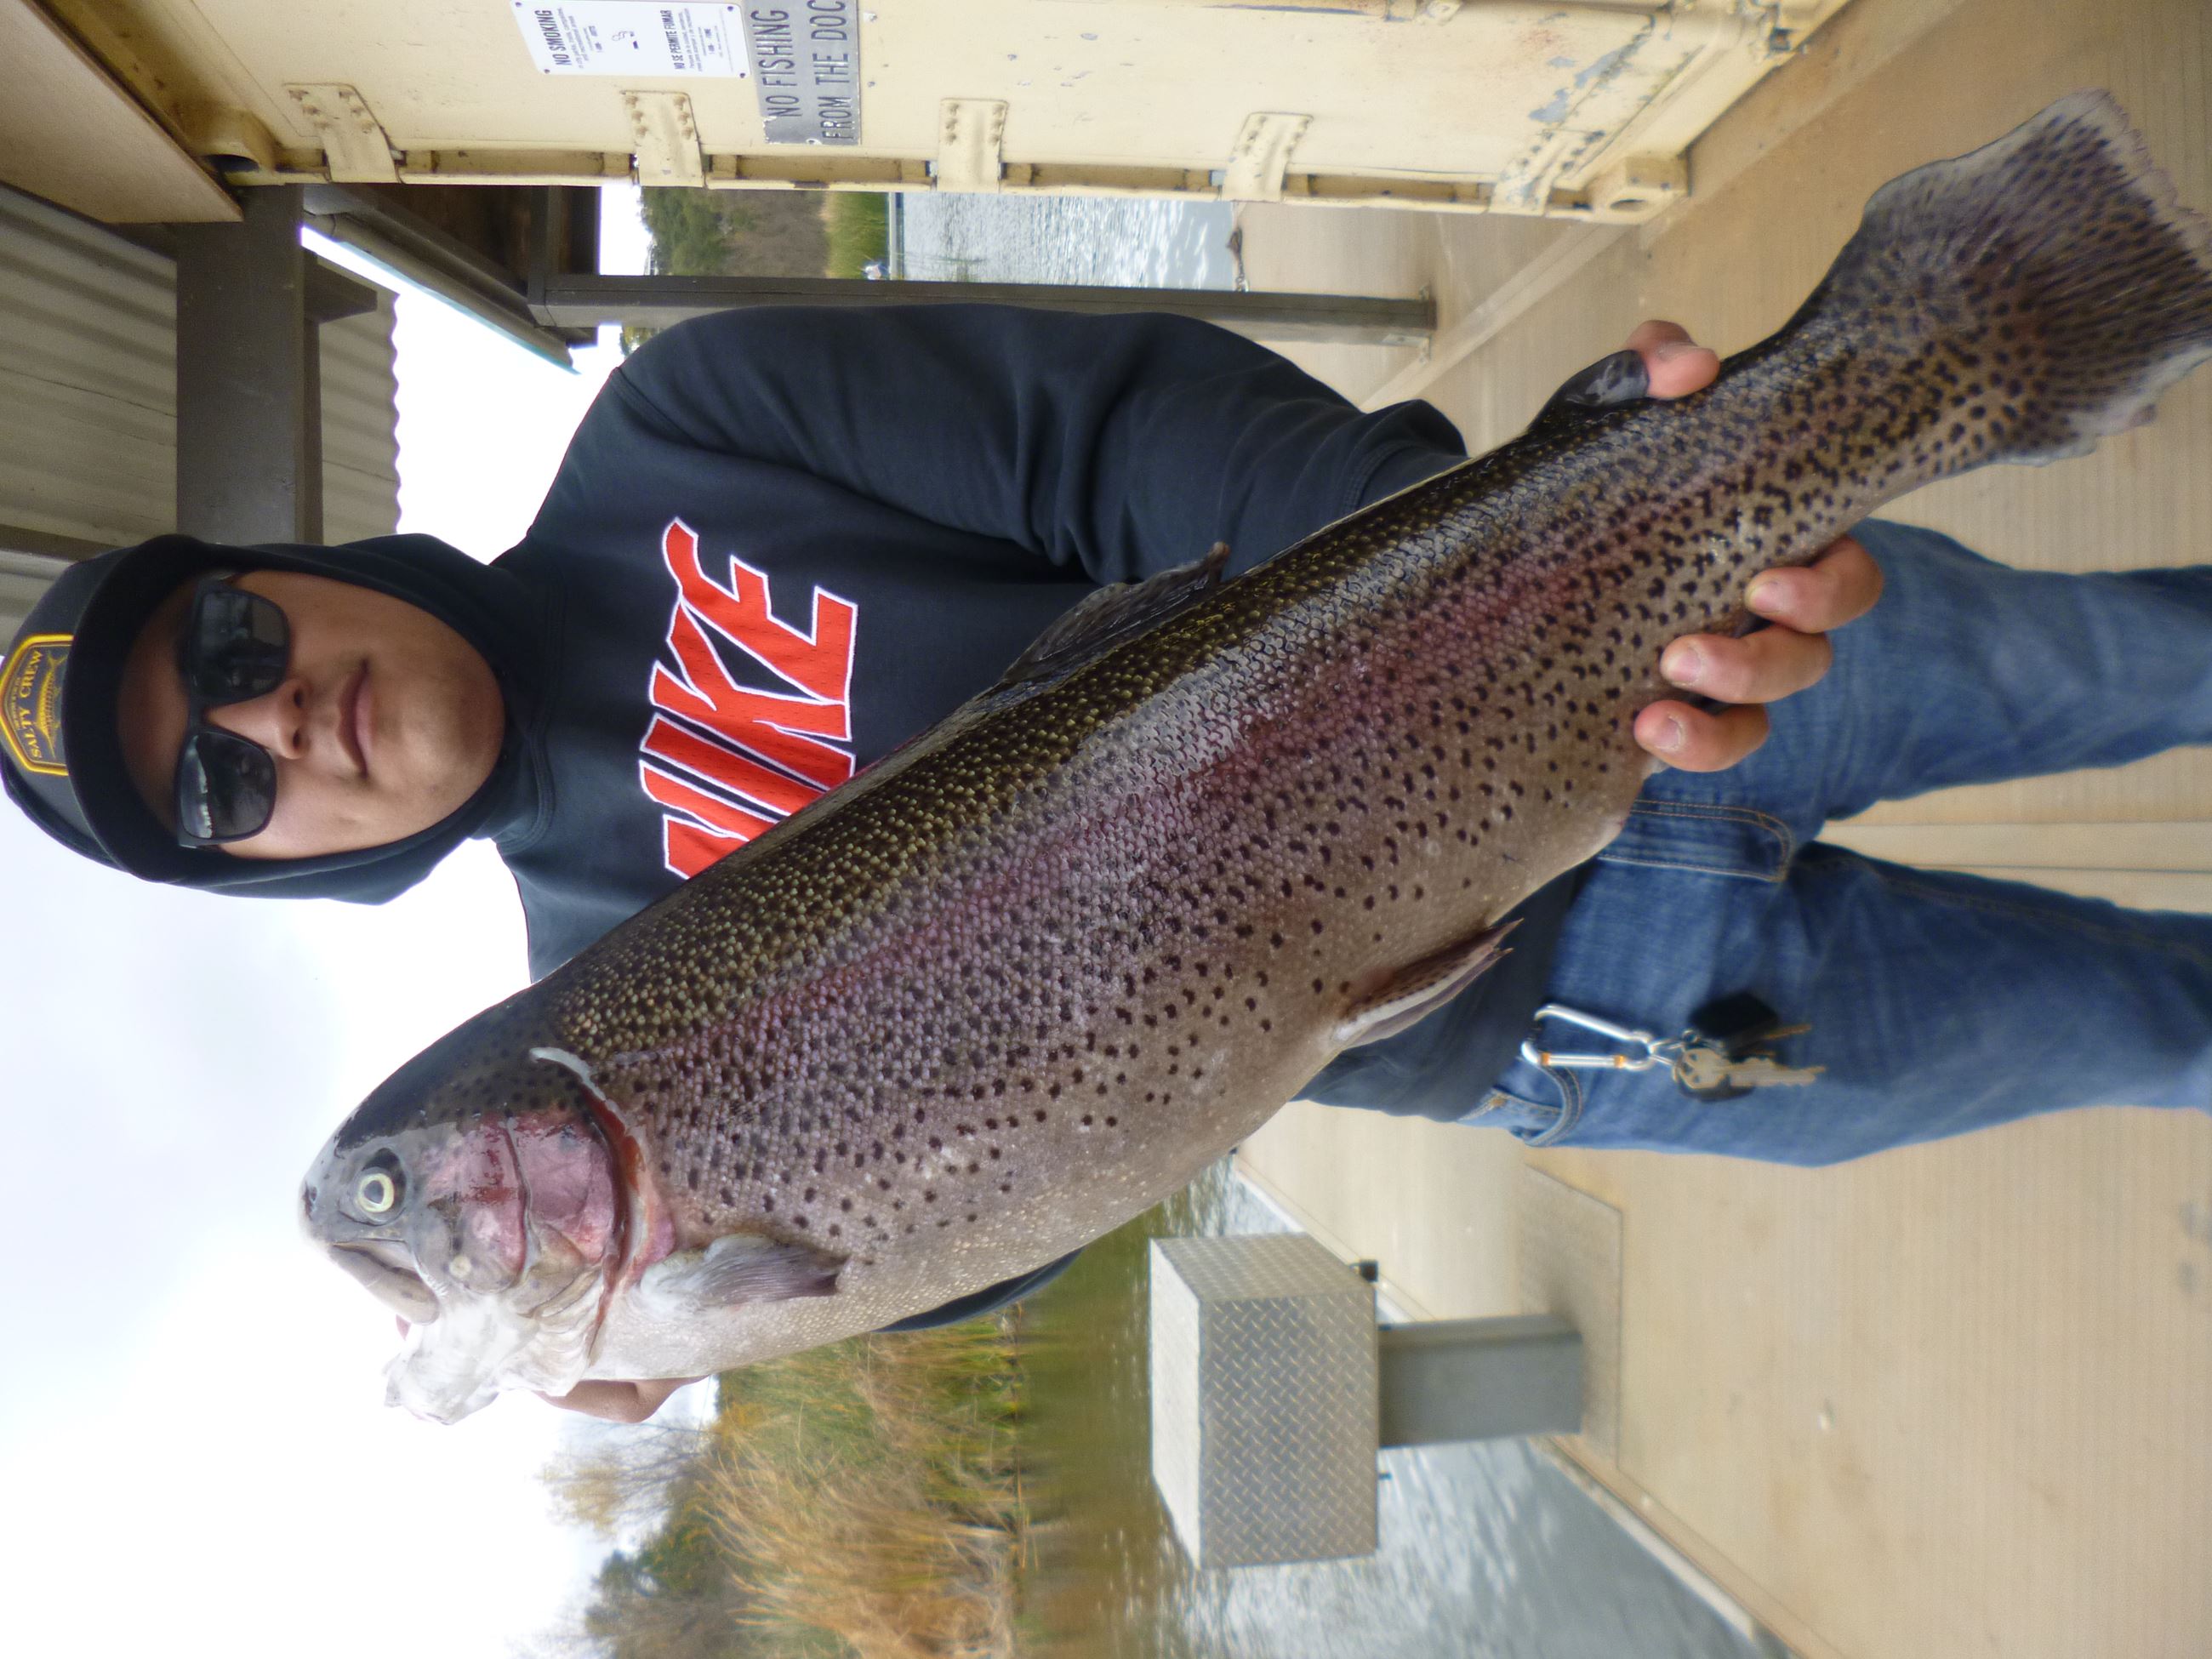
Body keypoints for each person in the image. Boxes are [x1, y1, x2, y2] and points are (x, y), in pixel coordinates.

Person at [5, 306, 2203, 1419]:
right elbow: (1022, 1224)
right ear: (271, 865)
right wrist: (736, 1328)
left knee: (2161, 645)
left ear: (275, 565)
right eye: (212, 790)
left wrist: (1499, 535)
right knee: (2158, 1024)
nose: (264, 718)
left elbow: (1120, 428)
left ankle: (2033, 298)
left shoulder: (685, 429)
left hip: (1595, 656)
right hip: (1570, 1015)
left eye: (223, 643)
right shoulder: (596, 969)